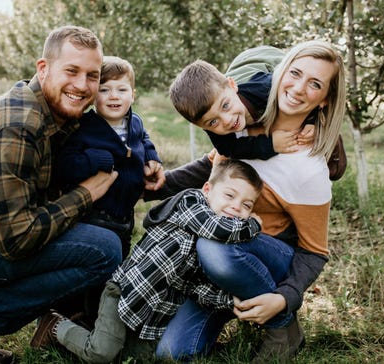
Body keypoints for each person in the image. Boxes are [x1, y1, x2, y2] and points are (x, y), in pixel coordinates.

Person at [0, 25, 162, 364]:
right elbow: (16, 240)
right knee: (101, 250)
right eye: (71, 71)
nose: (83, 85)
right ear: (43, 69)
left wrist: (149, 165)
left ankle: (44, 318)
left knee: (91, 242)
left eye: (92, 75)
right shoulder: (16, 126)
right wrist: (84, 195)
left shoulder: (57, 111)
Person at [150, 40, 347, 362]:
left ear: (324, 99)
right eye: (295, 74)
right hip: (218, 261)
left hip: (267, 257)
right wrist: (157, 184)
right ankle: (226, 299)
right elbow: (213, 164)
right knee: (172, 354)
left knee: (215, 247)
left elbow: (315, 251)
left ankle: (283, 326)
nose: (298, 89)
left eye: (314, 84)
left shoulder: (308, 166)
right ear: (281, 72)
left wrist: (285, 299)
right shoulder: (240, 128)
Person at [31, 159, 264, 363]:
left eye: (247, 205)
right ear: (207, 189)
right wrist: (253, 224)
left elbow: (193, 286)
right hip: (123, 293)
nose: (236, 207)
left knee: (137, 357)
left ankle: (85, 327)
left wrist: (228, 301)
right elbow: (219, 228)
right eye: (230, 195)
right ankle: (53, 325)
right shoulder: (191, 204)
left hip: (152, 310)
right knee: (101, 354)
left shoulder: (208, 247)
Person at [168, 45, 347, 181]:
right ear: (200, 126)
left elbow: (300, 96)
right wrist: (271, 145)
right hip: (234, 86)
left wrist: (313, 122)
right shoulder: (210, 118)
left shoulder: (266, 89)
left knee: (301, 91)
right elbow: (233, 149)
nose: (228, 120)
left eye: (226, 107)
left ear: (232, 86)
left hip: (265, 60)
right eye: (213, 122)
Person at [52, 56, 164, 260]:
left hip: (124, 217)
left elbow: (143, 138)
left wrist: (151, 155)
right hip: (92, 218)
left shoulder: (135, 121)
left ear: (133, 95)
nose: (114, 96)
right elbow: (64, 165)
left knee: (119, 265)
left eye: (122, 90)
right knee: (96, 266)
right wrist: (94, 159)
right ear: (94, 95)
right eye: (104, 90)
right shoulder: (83, 128)